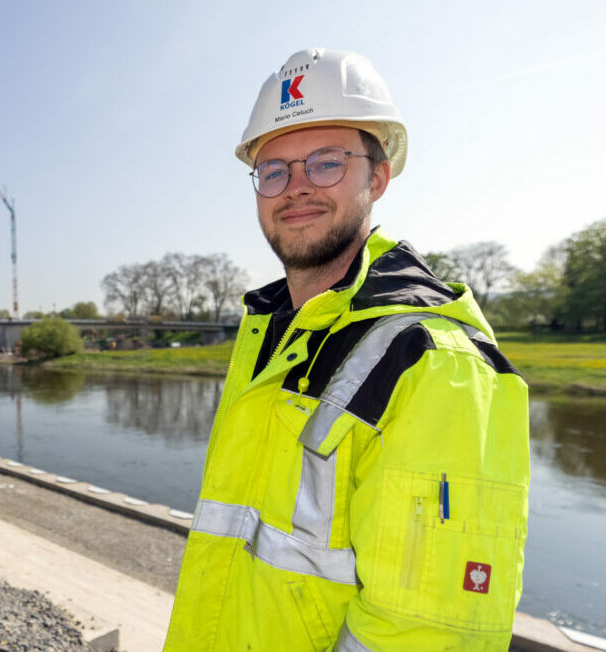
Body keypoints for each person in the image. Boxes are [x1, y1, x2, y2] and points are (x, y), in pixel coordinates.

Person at [164, 49, 530, 651]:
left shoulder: (431, 357)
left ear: (377, 178)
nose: (296, 187)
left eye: (326, 163)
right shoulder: (272, 331)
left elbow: (424, 632)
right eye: (274, 170)